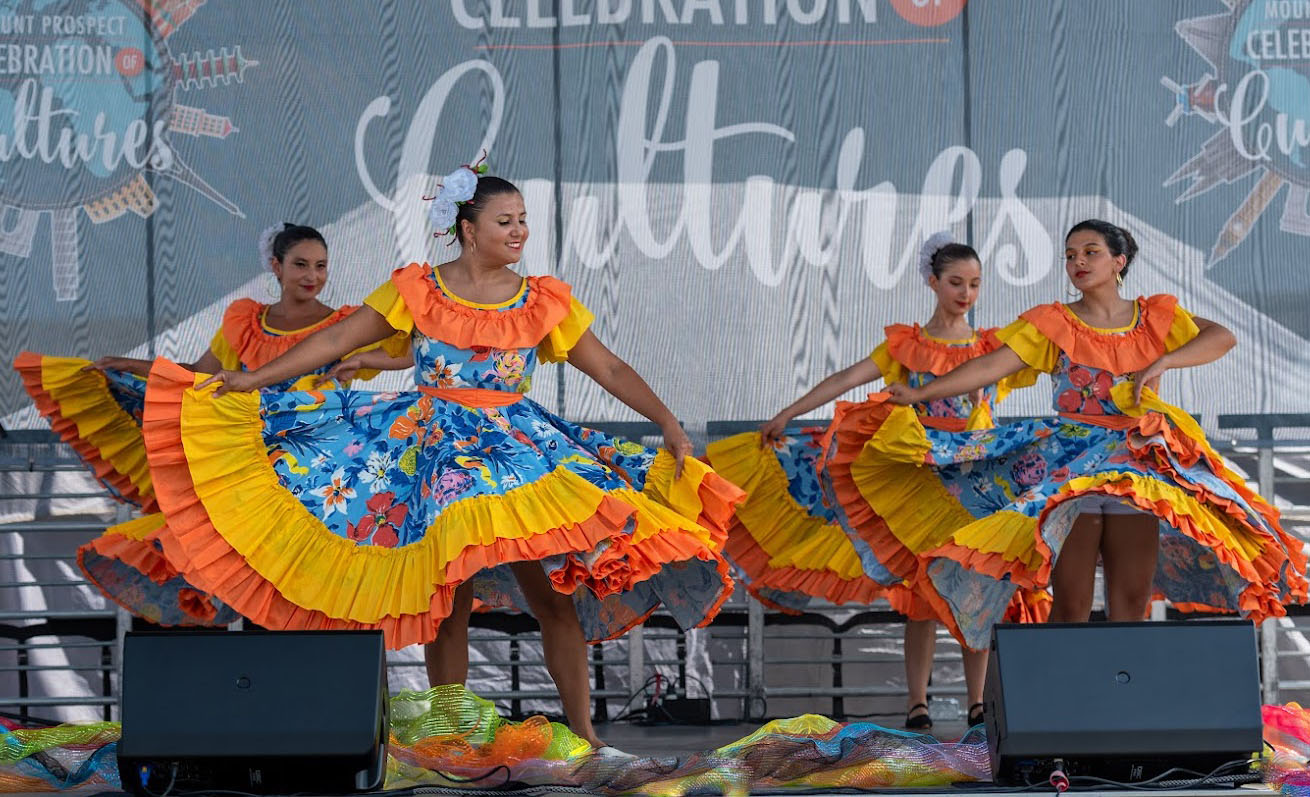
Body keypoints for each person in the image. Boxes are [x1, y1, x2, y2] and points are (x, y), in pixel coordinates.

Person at [140, 169, 743, 750]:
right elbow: (336, 339)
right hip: (439, 456)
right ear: (468, 228)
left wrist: (665, 420)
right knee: (447, 599)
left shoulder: (542, 301)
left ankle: (585, 734)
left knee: (553, 596)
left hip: (518, 457)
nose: (519, 232)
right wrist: (256, 379)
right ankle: (451, 735)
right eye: (505, 221)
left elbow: (607, 366)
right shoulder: (418, 289)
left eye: (523, 221)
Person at [863, 219, 1306, 637]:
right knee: (1071, 602)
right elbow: (990, 366)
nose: (1078, 262)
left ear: (1119, 261)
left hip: (1137, 463)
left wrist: (1166, 359)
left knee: (1130, 601)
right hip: (1073, 465)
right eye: (1071, 255)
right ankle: (1063, 709)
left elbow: (1222, 337)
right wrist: (922, 394)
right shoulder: (1053, 322)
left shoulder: (1153, 316)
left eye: (1091, 252)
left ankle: (1124, 703)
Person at [706, 234, 1044, 732]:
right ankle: (918, 704)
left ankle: (978, 702)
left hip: (976, 481)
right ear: (932, 282)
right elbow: (846, 379)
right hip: (918, 486)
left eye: (974, 284)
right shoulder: (906, 346)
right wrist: (789, 412)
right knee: (923, 597)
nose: (966, 293)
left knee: (980, 587)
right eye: (955, 282)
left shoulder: (992, 348)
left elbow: (1056, 353)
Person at [13, 223, 409, 626]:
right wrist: (134, 366)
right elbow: (202, 375)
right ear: (276, 266)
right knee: (237, 552)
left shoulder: (343, 326)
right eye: (301, 265)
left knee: (304, 563)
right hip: (253, 457)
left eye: (321, 266)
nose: (312, 276)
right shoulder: (247, 322)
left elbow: (407, 349)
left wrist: (363, 360)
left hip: (315, 464)